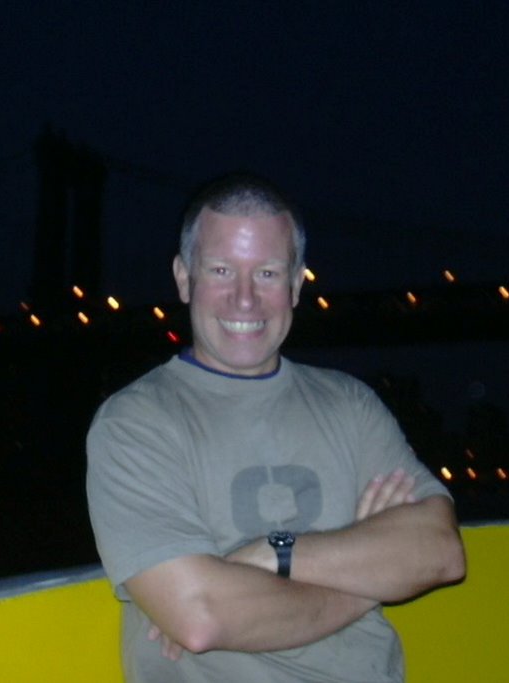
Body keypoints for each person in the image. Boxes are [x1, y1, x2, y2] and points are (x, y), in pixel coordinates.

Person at [86, 172, 465, 682]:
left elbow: (440, 554)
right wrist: (372, 577)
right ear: (183, 277)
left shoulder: (351, 405)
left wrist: (274, 553)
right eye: (221, 270)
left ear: (296, 282)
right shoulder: (135, 423)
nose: (244, 299)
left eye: (266, 273)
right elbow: (201, 617)